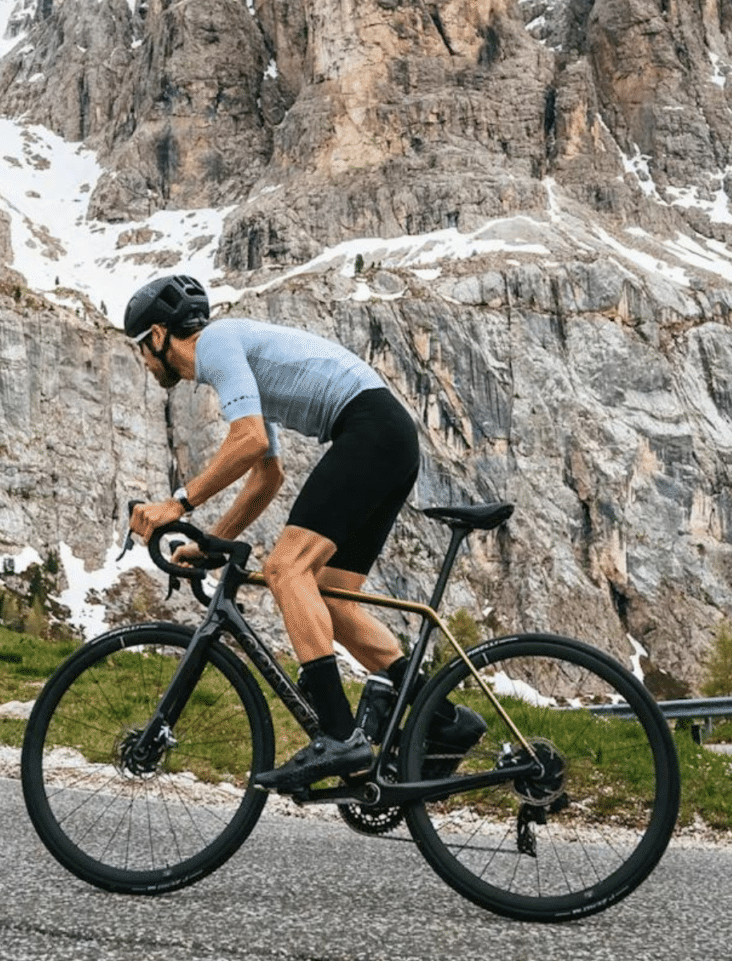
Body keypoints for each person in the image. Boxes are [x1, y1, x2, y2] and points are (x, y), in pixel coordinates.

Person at [123, 274, 480, 792]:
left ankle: (339, 736)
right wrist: (210, 542)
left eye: (141, 350)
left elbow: (244, 442)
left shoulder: (217, 344)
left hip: (369, 430)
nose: (146, 363)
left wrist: (176, 504)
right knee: (332, 599)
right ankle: (444, 720)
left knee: (285, 568)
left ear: (157, 335)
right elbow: (266, 473)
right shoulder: (235, 357)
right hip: (386, 436)